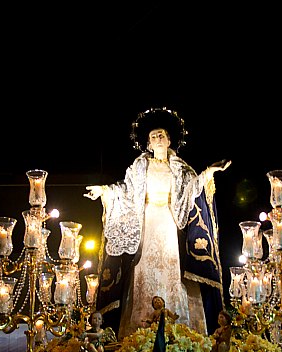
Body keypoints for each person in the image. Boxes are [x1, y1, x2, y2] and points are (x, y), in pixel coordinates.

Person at [84, 108, 231, 339]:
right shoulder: (139, 167)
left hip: (169, 221)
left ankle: (175, 328)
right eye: (153, 136)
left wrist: (209, 171)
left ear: (169, 140)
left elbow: (193, 189)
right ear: (149, 143)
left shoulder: (180, 168)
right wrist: (104, 191)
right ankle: (139, 330)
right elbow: (126, 190)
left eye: (161, 135)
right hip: (148, 220)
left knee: (171, 267)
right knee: (143, 268)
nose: (158, 138)